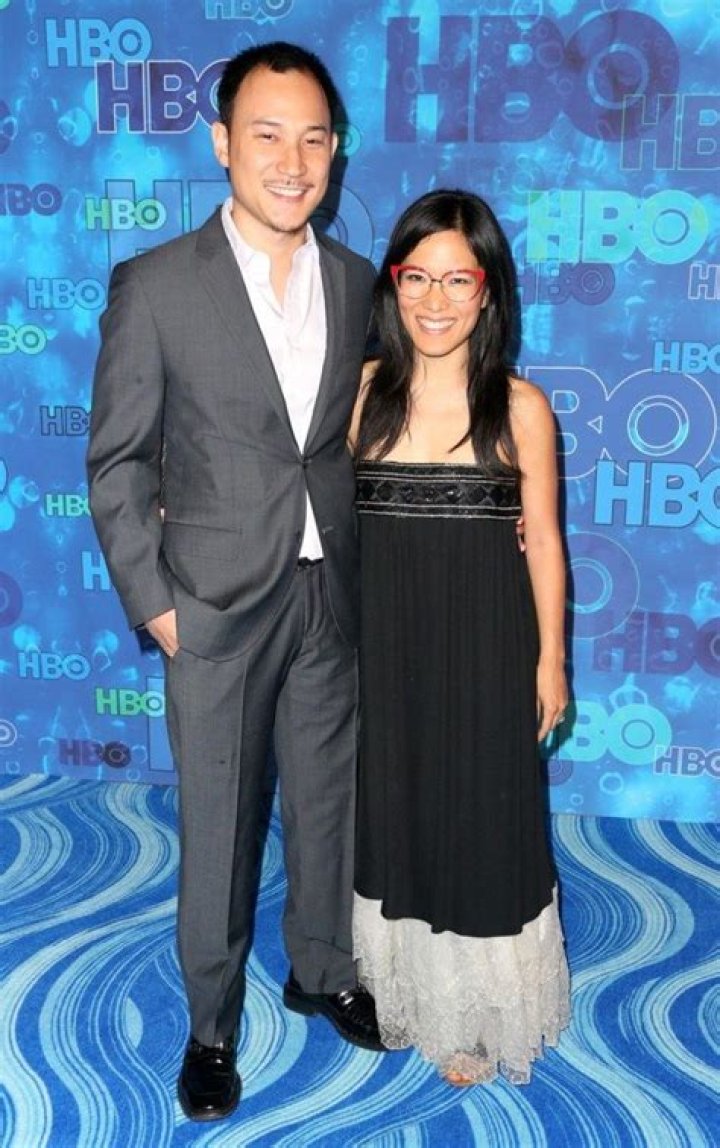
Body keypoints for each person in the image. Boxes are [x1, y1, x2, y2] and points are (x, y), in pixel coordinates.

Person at [87, 41, 384, 1124]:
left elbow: (359, 437)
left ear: (335, 150)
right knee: (218, 824)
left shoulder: (357, 282)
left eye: (313, 137)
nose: (292, 160)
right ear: (222, 142)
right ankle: (210, 1028)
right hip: (213, 605)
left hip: (329, 595)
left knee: (328, 802)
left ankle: (321, 968)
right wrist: (158, 605)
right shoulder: (158, 285)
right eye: (267, 134)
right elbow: (117, 463)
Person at [350, 189, 571, 1086]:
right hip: (382, 647)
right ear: (393, 282)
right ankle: (405, 990)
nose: (434, 301)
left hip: (486, 648)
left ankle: (479, 1013)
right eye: (417, 277)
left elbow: (544, 540)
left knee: (481, 816)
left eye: (458, 280)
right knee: (395, 809)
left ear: (489, 292)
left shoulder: (521, 408)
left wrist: (551, 660)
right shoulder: (358, 393)